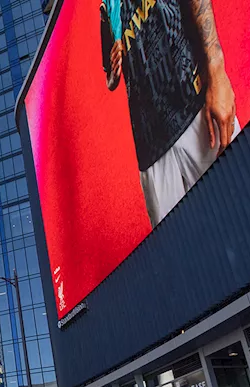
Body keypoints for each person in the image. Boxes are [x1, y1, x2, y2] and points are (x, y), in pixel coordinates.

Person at [103, 0, 239, 227]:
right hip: (151, 150)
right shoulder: (106, 7)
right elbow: (110, 76)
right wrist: (114, 70)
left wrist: (217, 71)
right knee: (183, 254)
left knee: (245, 212)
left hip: (195, 110)